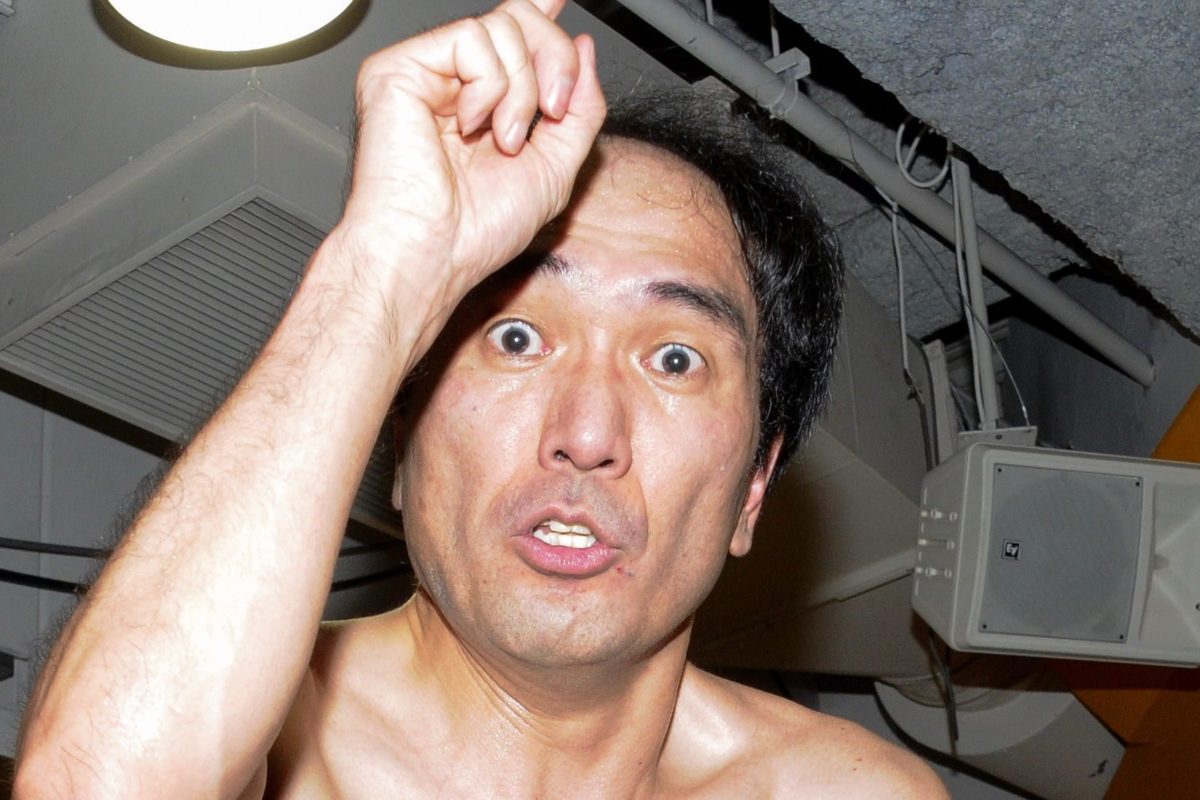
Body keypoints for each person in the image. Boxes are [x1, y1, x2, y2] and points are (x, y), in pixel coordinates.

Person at [14, 1, 947, 797]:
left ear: (752, 489)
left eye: (673, 359)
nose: (587, 433)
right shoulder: (282, 753)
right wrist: (381, 272)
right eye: (516, 338)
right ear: (402, 441)